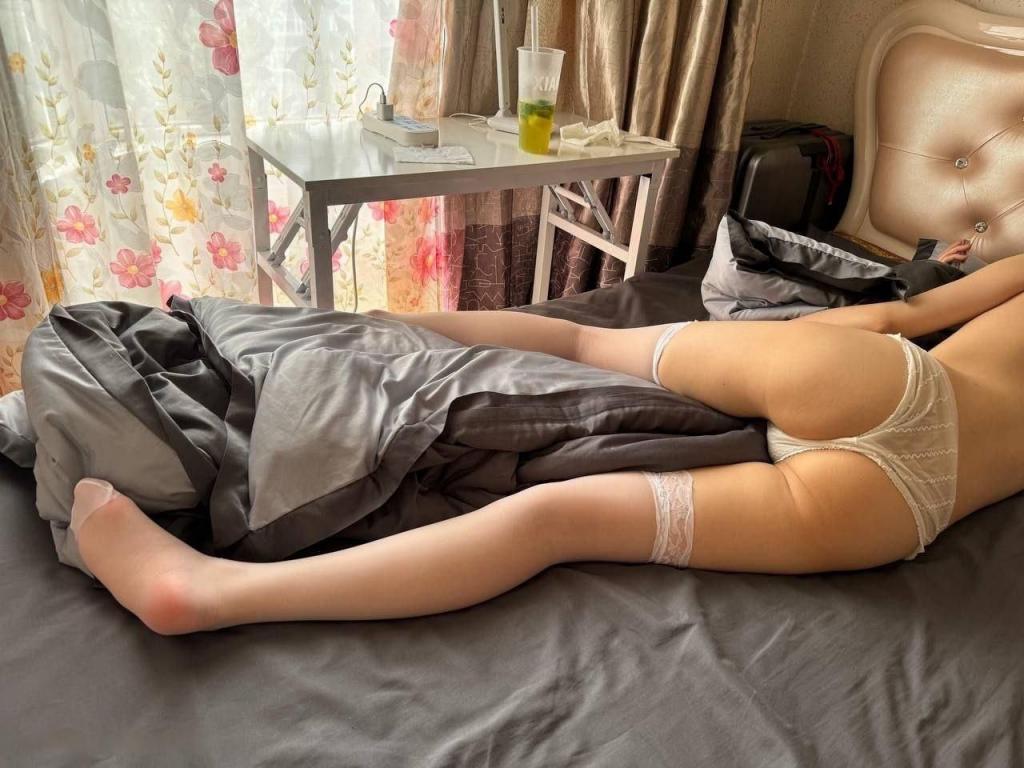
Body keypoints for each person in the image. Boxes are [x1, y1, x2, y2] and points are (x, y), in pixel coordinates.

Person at [70, 243, 1024, 636]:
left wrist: (891, 300)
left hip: (886, 381)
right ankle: (207, 595)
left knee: (583, 342)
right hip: (897, 513)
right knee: (553, 524)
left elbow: (912, 315)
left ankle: (383, 323)